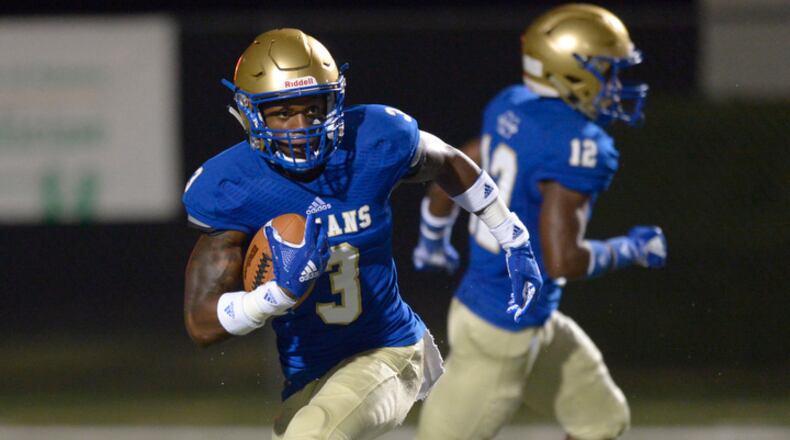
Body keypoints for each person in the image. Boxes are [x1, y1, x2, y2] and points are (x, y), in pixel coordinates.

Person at [181, 28, 542, 440]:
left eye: (313, 109)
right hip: (309, 372)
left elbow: (449, 161)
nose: (301, 127)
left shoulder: (372, 139)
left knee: (313, 434)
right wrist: (275, 296)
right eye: (282, 113)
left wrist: (513, 237)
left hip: (389, 348)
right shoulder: (231, 186)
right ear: (250, 114)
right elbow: (202, 323)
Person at [413, 4, 667, 440]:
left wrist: (432, 238)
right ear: (570, 72)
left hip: (527, 315)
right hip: (500, 330)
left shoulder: (510, 104)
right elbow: (563, 259)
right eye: (607, 72)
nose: (615, 85)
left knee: (601, 421)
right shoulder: (581, 143)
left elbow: (457, 166)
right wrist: (634, 249)